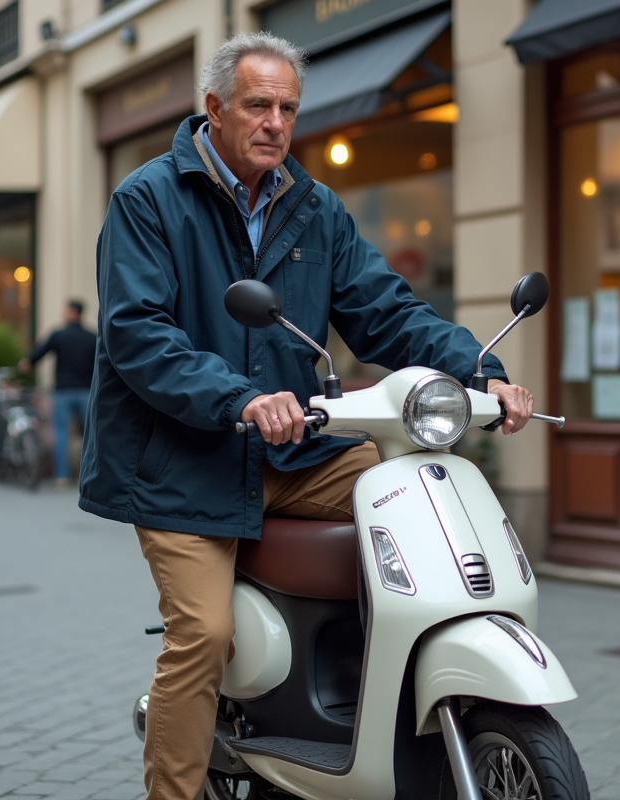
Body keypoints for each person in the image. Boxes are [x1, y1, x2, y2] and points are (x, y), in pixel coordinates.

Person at [79, 33, 534, 800]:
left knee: (419, 503)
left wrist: (480, 371)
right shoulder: (147, 199)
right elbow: (138, 334)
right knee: (203, 635)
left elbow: (384, 310)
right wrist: (240, 398)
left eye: (288, 107)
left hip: (294, 455)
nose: (276, 122)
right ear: (215, 108)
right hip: (183, 462)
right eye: (259, 105)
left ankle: (360, 722)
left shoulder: (314, 207)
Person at [19, 299, 96, 487]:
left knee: (61, 433)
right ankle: (92, 475)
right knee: (91, 434)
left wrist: (26, 363)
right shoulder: (92, 336)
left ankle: (62, 475)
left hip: (63, 391)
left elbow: (39, 353)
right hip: (86, 391)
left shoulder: (59, 335)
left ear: (72, 312)